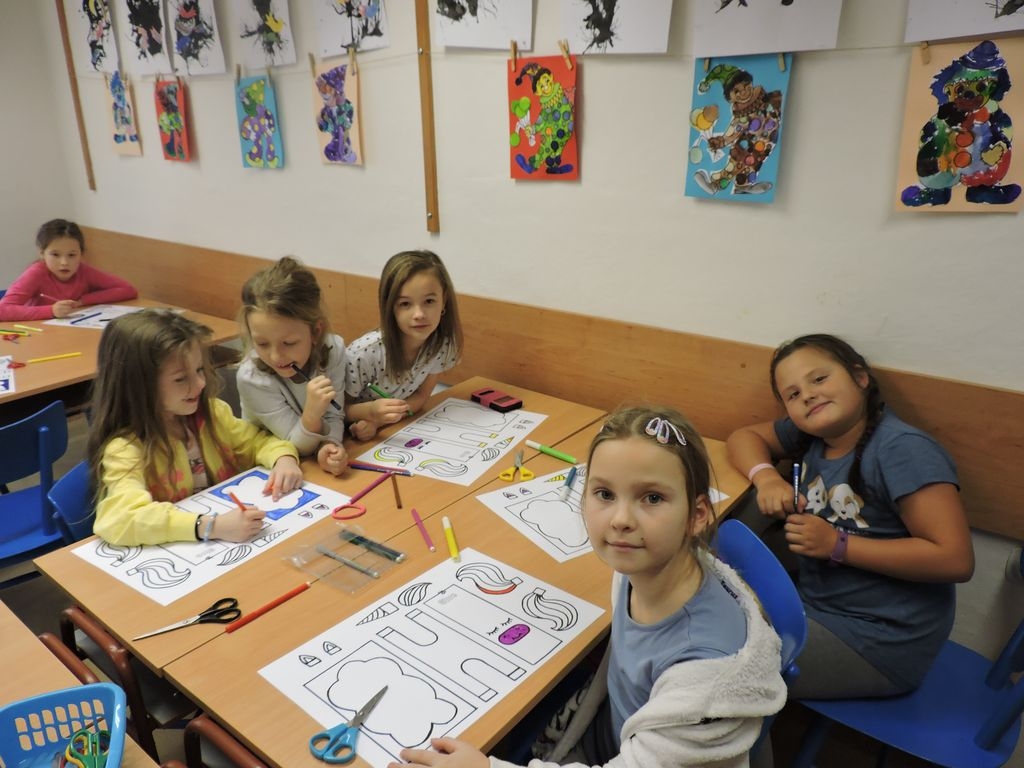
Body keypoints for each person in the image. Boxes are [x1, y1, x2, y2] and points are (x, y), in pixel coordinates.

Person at [392, 406, 787, 768]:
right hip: (613, 730)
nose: (620, 519)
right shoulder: (639, 567)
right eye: (604, 494)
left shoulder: (704, 680)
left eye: (652, 497)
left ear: (697, 515)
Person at [726, 333, 974, 700]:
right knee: (697, 632)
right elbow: (743, 437)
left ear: (860, 377)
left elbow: (954, 559)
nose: (808, 395)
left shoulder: (902, 450)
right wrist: (766, 478)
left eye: (819, 379)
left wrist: (837, 545)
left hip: (879, 641)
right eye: (793, 394)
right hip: (815, 604)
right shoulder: (812, 434)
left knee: (714, 667)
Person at [88, 308, 303, 546]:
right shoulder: (125, 448)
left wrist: (283, 459)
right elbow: (120, 519)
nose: (200, 383)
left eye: (199, 370)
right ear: (138, 386)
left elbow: (258, 442)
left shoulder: (212, 414)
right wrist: (211, 526)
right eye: (181, 379)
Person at [236, 257, 348, 476]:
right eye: (262, 343)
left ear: (316, 332)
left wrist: (330, 446)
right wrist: (311, 415)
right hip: (269, 471)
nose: (275, 356)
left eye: (288, 343)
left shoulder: (333, 349)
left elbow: (335, 416)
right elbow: (294, 444)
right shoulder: (251, 378)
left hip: (309, 469)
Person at [345, 250, 462, 440]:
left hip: (382, 432)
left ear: (444, 301)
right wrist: (370, 412)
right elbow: (335, 410)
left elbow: (421, 397)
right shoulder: (363, 354)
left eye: (429, 301)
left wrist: (377, 422)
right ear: (390, 306)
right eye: (405, 304)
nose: (419, 314)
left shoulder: (441, 344)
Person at [0, 218, 137, 321]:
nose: (64, 263)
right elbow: (2, 310)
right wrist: (51, 311)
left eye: (72, 255)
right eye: (55, 255)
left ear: (81, 254)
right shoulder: (36, 273)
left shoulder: (83, 270)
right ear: (42, 254)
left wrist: (83, 300)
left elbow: (128, 289)